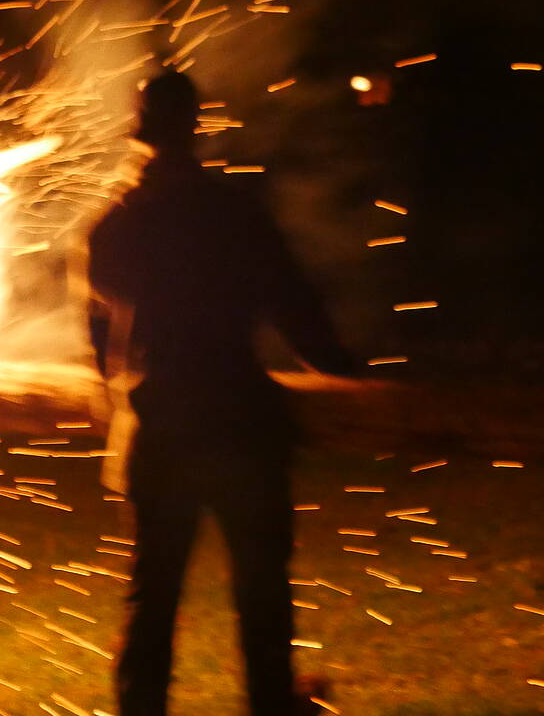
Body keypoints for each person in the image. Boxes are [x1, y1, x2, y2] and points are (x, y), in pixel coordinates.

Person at [87, 70, 360, 716]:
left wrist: (115, 391)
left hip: (163, 430)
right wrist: (347, 372)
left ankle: (140, 708)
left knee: (153, 595)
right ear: (196, 130)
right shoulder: (235, 213)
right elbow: (295, 307)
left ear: (140, 134)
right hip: (241, 422)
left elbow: (102, 333)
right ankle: (270, 704)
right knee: (262, 588)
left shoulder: (117, 225)